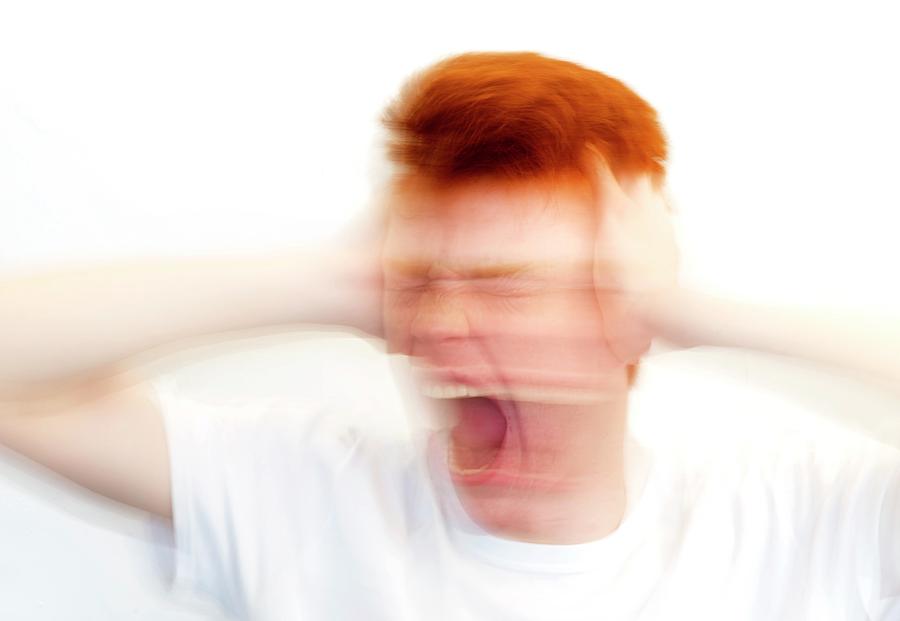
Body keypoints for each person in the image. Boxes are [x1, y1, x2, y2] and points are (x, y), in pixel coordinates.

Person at [1, 51, 898, 620]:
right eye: (424, 283)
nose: (444, 325)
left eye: (511, 286)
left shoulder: (803, 525)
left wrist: (701, 312)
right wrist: (333, 280)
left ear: (629, 312)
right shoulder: (299, 492)